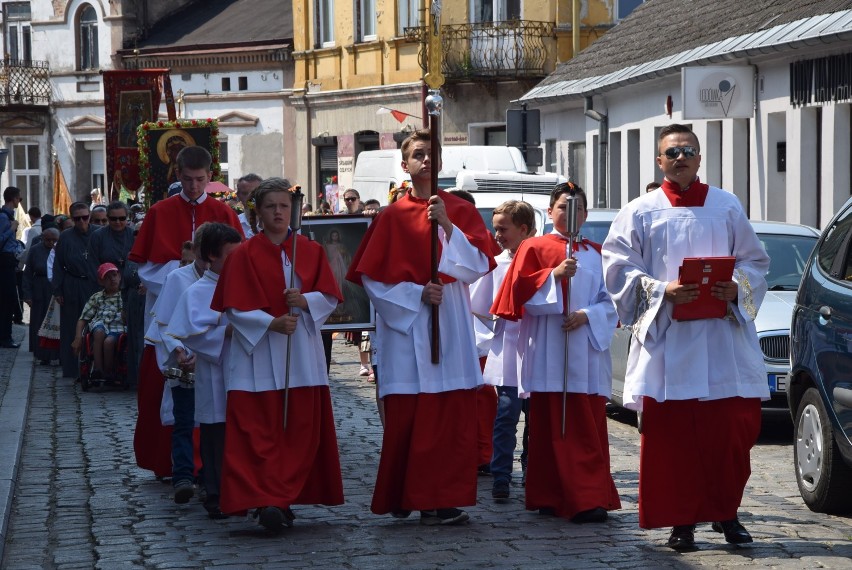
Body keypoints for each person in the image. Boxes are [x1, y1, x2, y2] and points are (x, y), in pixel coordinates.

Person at [601, 124, 770, 550]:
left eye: (688, 150)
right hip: (670, 343)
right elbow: (617, 269)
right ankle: (682, 522)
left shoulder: (727, 206)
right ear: (660, 161)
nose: (681, 157)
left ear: (699, 157)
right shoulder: (640, 210)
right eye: (672, 152)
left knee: (728, 436)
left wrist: (737, 288)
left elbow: (755, 262)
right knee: (673, 442)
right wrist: (663, 292)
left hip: (721, 342)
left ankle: (726, 514)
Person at [347, 128, 498, 526]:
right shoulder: (391, 216)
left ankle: (441, 499)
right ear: (405, 164)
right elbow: (372, 280)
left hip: (450, 323)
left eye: (432, 153)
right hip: (408, 330)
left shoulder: (460, 212)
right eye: (417, 154)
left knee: (448, 418)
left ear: (442, 161)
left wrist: (448, 226)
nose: (426, 160)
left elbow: (480, 265)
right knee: (410, 416)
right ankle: (406, 493)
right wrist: (416, 295)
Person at [212, 177, 344, 532]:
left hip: (300, 355)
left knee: (297, 430)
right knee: (256, 432)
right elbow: (233, 307)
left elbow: (329, 297)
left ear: (293, 209)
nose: (278, 212)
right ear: (258, 212)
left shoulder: (310, 251)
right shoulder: (242, 254)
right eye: (270, 206)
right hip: (255, 358)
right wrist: (269, 324)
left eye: (284, 206)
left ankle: (283, 497)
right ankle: (264, 497)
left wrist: (305, 301)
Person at [492, 183, 621, 523]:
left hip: (587, 352)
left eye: (577, 207)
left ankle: (588, 498)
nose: (570, 213)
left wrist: (587, 315)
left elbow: (612, 302)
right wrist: (553, 276)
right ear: (550, 212)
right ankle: (549, 495)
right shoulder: (533, 247)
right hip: (549, 349)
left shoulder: (598, 253)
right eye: (563, 206)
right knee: (549, 427)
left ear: (586, 214)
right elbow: (518, 295)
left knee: (586, 427)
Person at [129, 145, 243, 479]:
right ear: (177, 175)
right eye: (188, 179)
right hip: (167, 309)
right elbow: (146, 270)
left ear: (210, 177)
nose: (194, 187)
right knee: (163, 391)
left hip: (213, 312)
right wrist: (180, 273)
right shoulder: (159, 212)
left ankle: (212, 465)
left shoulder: (224, 214)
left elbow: (236, 264)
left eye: (200, 180)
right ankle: (170, 463)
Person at [165, 223, 242, 519]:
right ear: (211, 255)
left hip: (244, 371)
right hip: (214, 371)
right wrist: (225, 333)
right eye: (230, 255)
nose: (237, 260)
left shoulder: (243, 283)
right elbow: (190, 332)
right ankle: (216, 492)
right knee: (215, 433)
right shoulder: (197, 292)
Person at [468, 200, 536, 500]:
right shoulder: (497, 264)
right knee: (506, 415)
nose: (496, 235)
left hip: (536, 349)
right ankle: (501, 477)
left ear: (523, 229)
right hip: (508, 350)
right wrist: (495, 318)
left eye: (502, 229)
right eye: (495, 228)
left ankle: (532, 471)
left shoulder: (541, 258)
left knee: (535, 419)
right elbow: (478, 304)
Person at [148, 228, 210, 499]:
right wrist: (181, 351)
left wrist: (204, 352)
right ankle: (183, 476)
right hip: (183, 361)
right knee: (184, 419)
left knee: (212, 422)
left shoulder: (225, 278)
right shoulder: (177, 279)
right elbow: (164, 323)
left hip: (212, 360)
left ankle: (210, 477)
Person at [52, 202, 100, 376]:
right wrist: (57, 290)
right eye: (77, 218)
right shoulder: (65, 237)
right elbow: (58, 264)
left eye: (85, 217)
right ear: (72, 219)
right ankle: (72, 367)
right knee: (72, 326)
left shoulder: (98, 233)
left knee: (96, 325)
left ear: (90, 216)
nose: (81, 222)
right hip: (72, 284)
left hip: (94, 285)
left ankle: (95, 367)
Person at [71, 262, 125, 382]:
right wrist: (78, 336)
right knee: (98, 332)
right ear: (101, 281)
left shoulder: (123, 296)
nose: (112, 279)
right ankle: (98, 369)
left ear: (120, 276)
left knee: (109, 342)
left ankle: (108, 371)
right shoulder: (97, 297)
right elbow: (83, 318)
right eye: (107, 277)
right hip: (100, 324)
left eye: (114, 275)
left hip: (117, 328)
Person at [22, 228, 61, 363]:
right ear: (42, 238)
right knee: (39, 321)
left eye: (54, 240)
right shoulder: (35, 250)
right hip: (39, 287)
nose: (51, 243)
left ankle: (58, 354)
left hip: (56, 287)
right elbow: (27, 274)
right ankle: (42, 354)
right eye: (48, 240)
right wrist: (27, 295)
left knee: (57, 321)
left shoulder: (61, 249)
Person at [0, 187, 22, 348]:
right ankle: (5, 337)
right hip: (4, 262)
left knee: (9, 300)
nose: (19, 202)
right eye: (19, 199)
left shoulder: (8, 216)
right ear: (13, 199)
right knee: (8, 300)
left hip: (9, 261)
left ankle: (6, 335)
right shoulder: (3, 217)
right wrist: (11, 229)